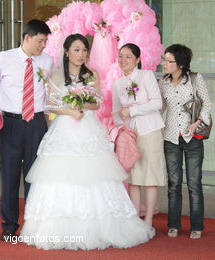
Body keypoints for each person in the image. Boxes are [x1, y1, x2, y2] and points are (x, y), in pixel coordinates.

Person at [19, 34, 154, 250]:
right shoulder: (56, 75)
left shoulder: (92, 74)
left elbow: (98, 102)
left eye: (84, 50)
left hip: (88, 126)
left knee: (96, 174)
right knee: (61, 174)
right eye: (76, 50)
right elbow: (51, 105)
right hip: (64, 127)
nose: (81, 54)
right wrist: (70, 110)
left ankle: (103, 227)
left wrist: (83, 102)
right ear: (66, 51)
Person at [0, 19, 53, 240]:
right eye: (40, 41)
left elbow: (51, 88)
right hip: (11, 122)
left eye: (45, 41)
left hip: (37, 123)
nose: (43, 45)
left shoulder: (47, 61)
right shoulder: (4, 58)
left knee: (34, 175)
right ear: (27, 38)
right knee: (10, 175)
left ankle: (32, 223)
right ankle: (9, 225)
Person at [160, 44, 211, 239]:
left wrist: (198, 122)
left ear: (180, 64)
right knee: (173, 183)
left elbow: (207, 104)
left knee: (194, 183)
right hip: (171, 137)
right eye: (164, 60)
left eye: (169, 61)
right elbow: (161, 107)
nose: (165, 64)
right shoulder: (162, 82)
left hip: (193, 137)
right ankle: (173, 224)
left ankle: (196, 226)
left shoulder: (196, 80)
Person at [112, 43, 166, 229]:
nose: (123, 60)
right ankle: (135, 220)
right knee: (133, 178)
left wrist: (133, 111)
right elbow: (116, 112)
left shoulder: (146, 76)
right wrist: (122, 131)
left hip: (150, 131)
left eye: (128, 56)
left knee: (149, 177)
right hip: (130, 135)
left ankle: (149, 220)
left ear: (137, 59)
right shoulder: (117, 84)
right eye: (120, 56)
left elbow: (157, 103)